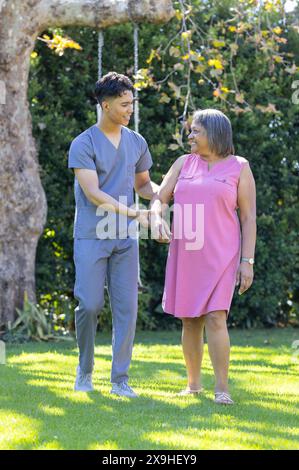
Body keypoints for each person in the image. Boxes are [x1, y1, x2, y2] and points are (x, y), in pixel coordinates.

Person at [68, 71, 169, 397]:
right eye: (125, 104)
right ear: (106, 104)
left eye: (132, 103)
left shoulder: (136, 141)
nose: (130, 110)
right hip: (92, 234)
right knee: (90, 303)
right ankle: (84, 372)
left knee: (127, 308)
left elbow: (142, 184)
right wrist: (136, 214)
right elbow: (94, 193)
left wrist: (159, 198)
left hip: (125, 237)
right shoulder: (82, 144)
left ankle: (120, 380)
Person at [150, 109, 256, 405]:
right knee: (190, 320)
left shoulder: (239, 167)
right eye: (191, 131)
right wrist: (158, 219)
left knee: (216, 317)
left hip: (223, 254)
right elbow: (160, 199)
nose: (190, 136)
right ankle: (193, 385)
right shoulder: (184, 163)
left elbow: (248, 218)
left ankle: (222, 389)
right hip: (187, 253)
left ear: (215, 134)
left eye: (196, 131)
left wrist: (247, 262)